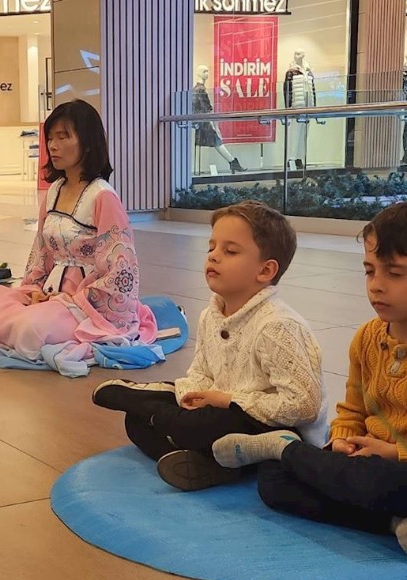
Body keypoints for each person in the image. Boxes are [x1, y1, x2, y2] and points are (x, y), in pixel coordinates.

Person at [211, 202, 407, 554]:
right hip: (365, 464)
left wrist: (396, 453)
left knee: (382, 483)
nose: (376, 286)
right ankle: (392, 521)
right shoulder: (367, 337)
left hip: (395, 470)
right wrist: (344, 441)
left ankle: (293, 453)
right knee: (274, 482)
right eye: (369, 271)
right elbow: (351, 411)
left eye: (394, 274)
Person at [93, 201, 323, 491]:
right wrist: (192, 396)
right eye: (211, 248)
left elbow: (304, 406)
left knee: (198, 425)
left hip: (271, 426)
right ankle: (213, 465)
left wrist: (227, 400)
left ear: (265, 270)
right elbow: (200, 372)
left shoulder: (277, 326)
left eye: (230, 251)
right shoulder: (211, 315)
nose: (214, 257)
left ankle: (152, 401)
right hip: (222, 414)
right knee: (135, 423)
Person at [0, 99, 158, 363]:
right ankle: (31, 317)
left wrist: (71, 299)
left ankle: (34, 323)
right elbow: (41, 253)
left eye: (63, 137)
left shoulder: (102, 197)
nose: (53, 146)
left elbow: (120, 270)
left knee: (30, 327)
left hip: (85, 303)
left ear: (88, 142)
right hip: (47, 292)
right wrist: (33, 290)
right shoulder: (54, 191)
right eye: (50, 137)